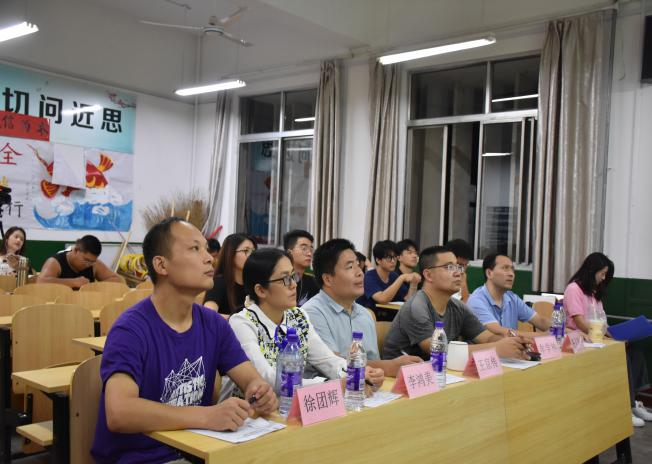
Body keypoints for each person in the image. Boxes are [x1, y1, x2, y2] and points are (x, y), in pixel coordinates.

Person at [91, 218, 277, 463]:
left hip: (200, 450)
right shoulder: (130, 330)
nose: (209, 258)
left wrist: (260, 393)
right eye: (194, 249)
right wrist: (207, 416)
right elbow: (119, 412)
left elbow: (251, 380)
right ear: (161, 264)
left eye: (206, 249)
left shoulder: (215, 324)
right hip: (143, 457)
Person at [229, 248, 384, 392]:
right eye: (285, 279)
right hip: (252, 409)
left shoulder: (298, 316)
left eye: (293, 276)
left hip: (294, 403)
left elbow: (327, 360)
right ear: (261, 290)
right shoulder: (243, 323)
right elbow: (267, 378)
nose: (294, 285)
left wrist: (358, 372)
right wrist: (329, 385)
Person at [382, 246, 531, 361]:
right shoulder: (416, 306)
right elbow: (438, 351)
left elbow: (486, 337)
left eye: (458, 267)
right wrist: (496, 348)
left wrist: (512, 343)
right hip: (401, 378)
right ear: (428, 275)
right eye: (449, 267)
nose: (458, 273)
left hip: (441, 374)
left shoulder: (457, 306)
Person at [303, 239, 423, 377]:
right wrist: (389, 366)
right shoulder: (311, 313)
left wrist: (382, 370)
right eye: (350, 267)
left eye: (358, 265)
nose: (360, 272)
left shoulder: (365, 314)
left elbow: (373, 364)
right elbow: (334, 366)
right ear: (328, 279)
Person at [564, 252, 652, 427]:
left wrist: (618, 335)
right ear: (591, 270)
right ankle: (625, 407)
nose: (603, 278)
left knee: (635, 352)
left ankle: (633, 402)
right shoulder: (574, 289)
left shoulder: (593, 293)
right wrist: (606, 336)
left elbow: (602, 321)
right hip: (580, 340)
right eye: (602, 273)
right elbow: (580, 323)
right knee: (621, 355)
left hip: (597, 338)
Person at [468, 253, 551, 335]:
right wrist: (546, 336)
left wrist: (557, 330)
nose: (511, 274)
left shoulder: (512, 298)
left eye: (512, 269)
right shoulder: (477, 301)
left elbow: (540, 321)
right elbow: (500, 332)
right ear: (489, 273)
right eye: (505, 268)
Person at [38, 235, 121, 288]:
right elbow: (40, 282)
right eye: (86, 260)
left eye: (92, 261)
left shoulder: (94, 264)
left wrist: (94, 286)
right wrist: (73, 282)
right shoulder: (55, 262)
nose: (88, 264)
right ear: (76, 250)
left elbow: (117, 280)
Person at [358, 240, 420, 310]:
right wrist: (401, 278)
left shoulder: (394, 276)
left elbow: (407, 299)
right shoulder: (369, 276)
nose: (393, 261)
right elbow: (382, 299)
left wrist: (414, 284)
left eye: (394, 257)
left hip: (389, 314)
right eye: (389, 258)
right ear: (378, 260)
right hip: (370, 315)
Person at [204, 233, 257, 315]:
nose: (251, 256)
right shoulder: (219, 282)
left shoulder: (255, 283)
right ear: (231, 254)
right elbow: (208, 314)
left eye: (253, 251)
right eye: (246, 251)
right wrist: (238, 320)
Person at [283, 229, 320, 306]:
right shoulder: (281, 280)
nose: (309, 254)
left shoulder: (313, 282)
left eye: (311, 249)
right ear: (290, 252)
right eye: (304, 249)